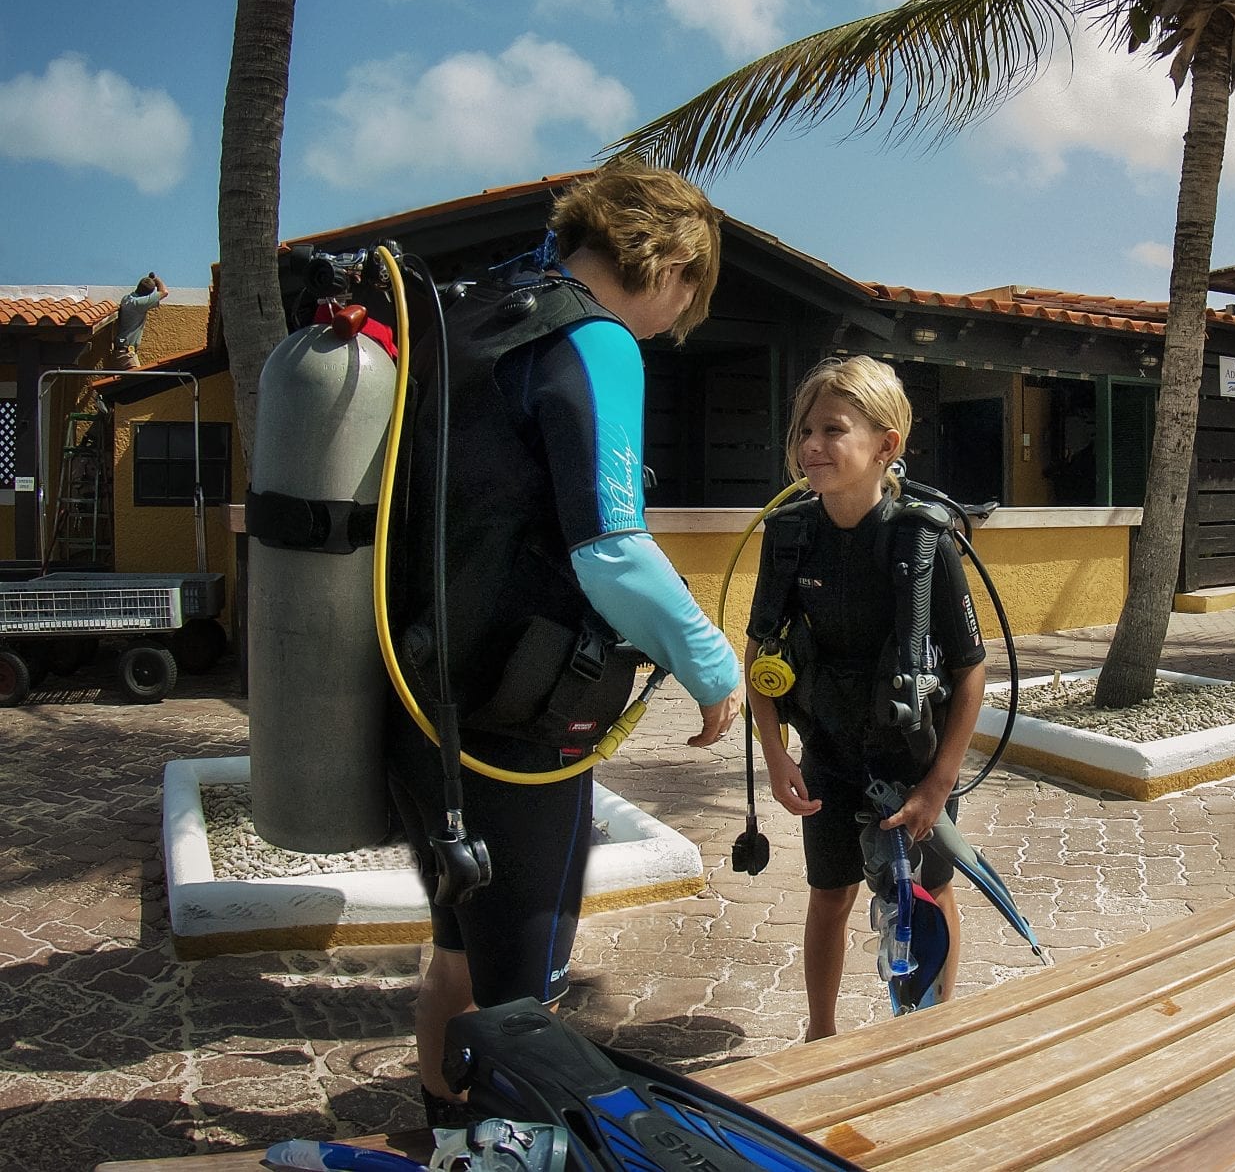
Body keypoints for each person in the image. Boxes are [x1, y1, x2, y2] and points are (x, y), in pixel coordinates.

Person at [384, 165, 743, 1124]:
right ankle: (500, 1142)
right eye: (685, 301)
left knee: (458, 949)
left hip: (420, 696)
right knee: (521, 989)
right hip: (516, 717)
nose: (671, 327)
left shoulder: (469, 318)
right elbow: (614, 551)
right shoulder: (593, 337)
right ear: (669, 263)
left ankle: (443, 1134)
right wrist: (715, 668)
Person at [745, 357, 988, 1039]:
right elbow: (758, 653)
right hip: (827, 750)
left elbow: (971, 671)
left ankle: (930, 1026)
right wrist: (776, 755)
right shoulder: (790, 536)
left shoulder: (923, 541)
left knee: (931, 889)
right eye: (804, 430)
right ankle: (820, 1035)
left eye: (832, 429)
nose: (811, 445)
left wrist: (939, 785)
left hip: (913, 755)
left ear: (886, 446)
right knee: (829, 895)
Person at [111, 272, 167, 370]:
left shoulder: (126, 299)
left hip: (121, 350)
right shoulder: (139, 303)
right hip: (127, 354)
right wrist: (156, 279)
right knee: (137, 381)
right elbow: (164, 292)